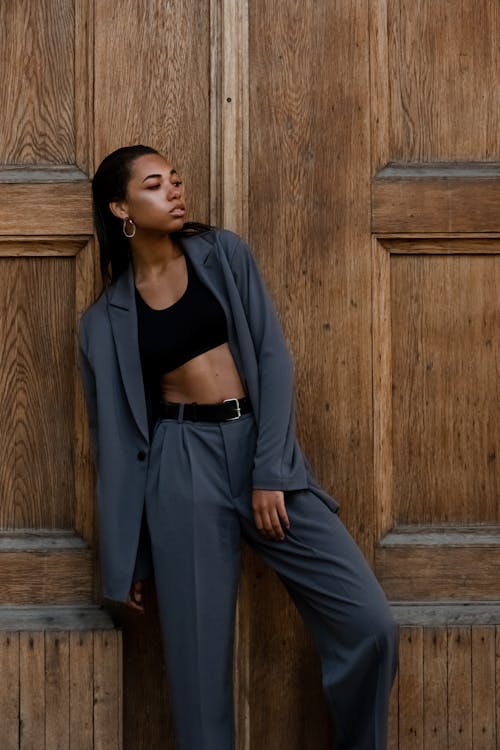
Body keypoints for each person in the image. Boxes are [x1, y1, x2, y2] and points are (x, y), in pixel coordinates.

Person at [79, 144, 398, 750]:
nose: (174, 190)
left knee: (371, 625)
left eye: (175, 179)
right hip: (181, 470)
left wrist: (270, 471)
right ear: (121, 207)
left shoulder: (222, 254)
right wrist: (131, 558)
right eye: (154, 185)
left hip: (259, 449)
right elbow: (115, 447)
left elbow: (274, 360)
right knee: (198, 682)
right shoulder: (102, 323)